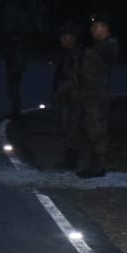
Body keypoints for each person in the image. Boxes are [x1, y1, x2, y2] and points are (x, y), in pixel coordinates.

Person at [74, 13, 118, 178]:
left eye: (96, 26)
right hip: (89, 94)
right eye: (92, 26)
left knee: (97, 129)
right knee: (90, 129)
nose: (92, 30)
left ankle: (98, 166)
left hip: (98, 95)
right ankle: (94, 164)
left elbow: (108, 56)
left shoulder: (109, 45)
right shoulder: (95, 45)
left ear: (104, 28)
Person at [52, 21, 83, 168]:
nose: (63, 40)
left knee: (72, 127)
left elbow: (73, 77)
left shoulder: (75, 54)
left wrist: (58, 92)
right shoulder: (65, 54)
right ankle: (69, 158)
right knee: (66, 127)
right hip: (67, 96)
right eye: (62, 37)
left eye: (66, 37)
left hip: (74, 96)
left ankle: (72, 160)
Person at [2, 33, 27, 119]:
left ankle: (16, 112)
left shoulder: (16, 47)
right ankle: (15, 112)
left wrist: (13, 70)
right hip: (13, 71)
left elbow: (19, 61)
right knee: (13, 92)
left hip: (15, 71)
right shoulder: (13, 47)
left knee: (14, 92)